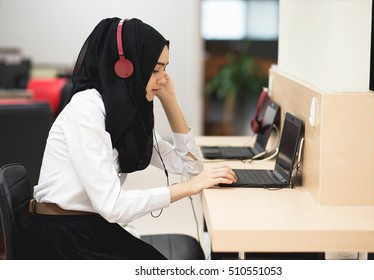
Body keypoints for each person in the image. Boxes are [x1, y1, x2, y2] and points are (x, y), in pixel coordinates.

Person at [18, 17, 236, 260]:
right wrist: (185, 189)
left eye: (165, 68)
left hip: (90, 225)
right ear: (125, 68)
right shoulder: (86, 110)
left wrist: (170, 101)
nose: (163, 79)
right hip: (60, 238)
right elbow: (113, 206)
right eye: (154, 70)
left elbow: (190, 166)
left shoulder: (125, 112)